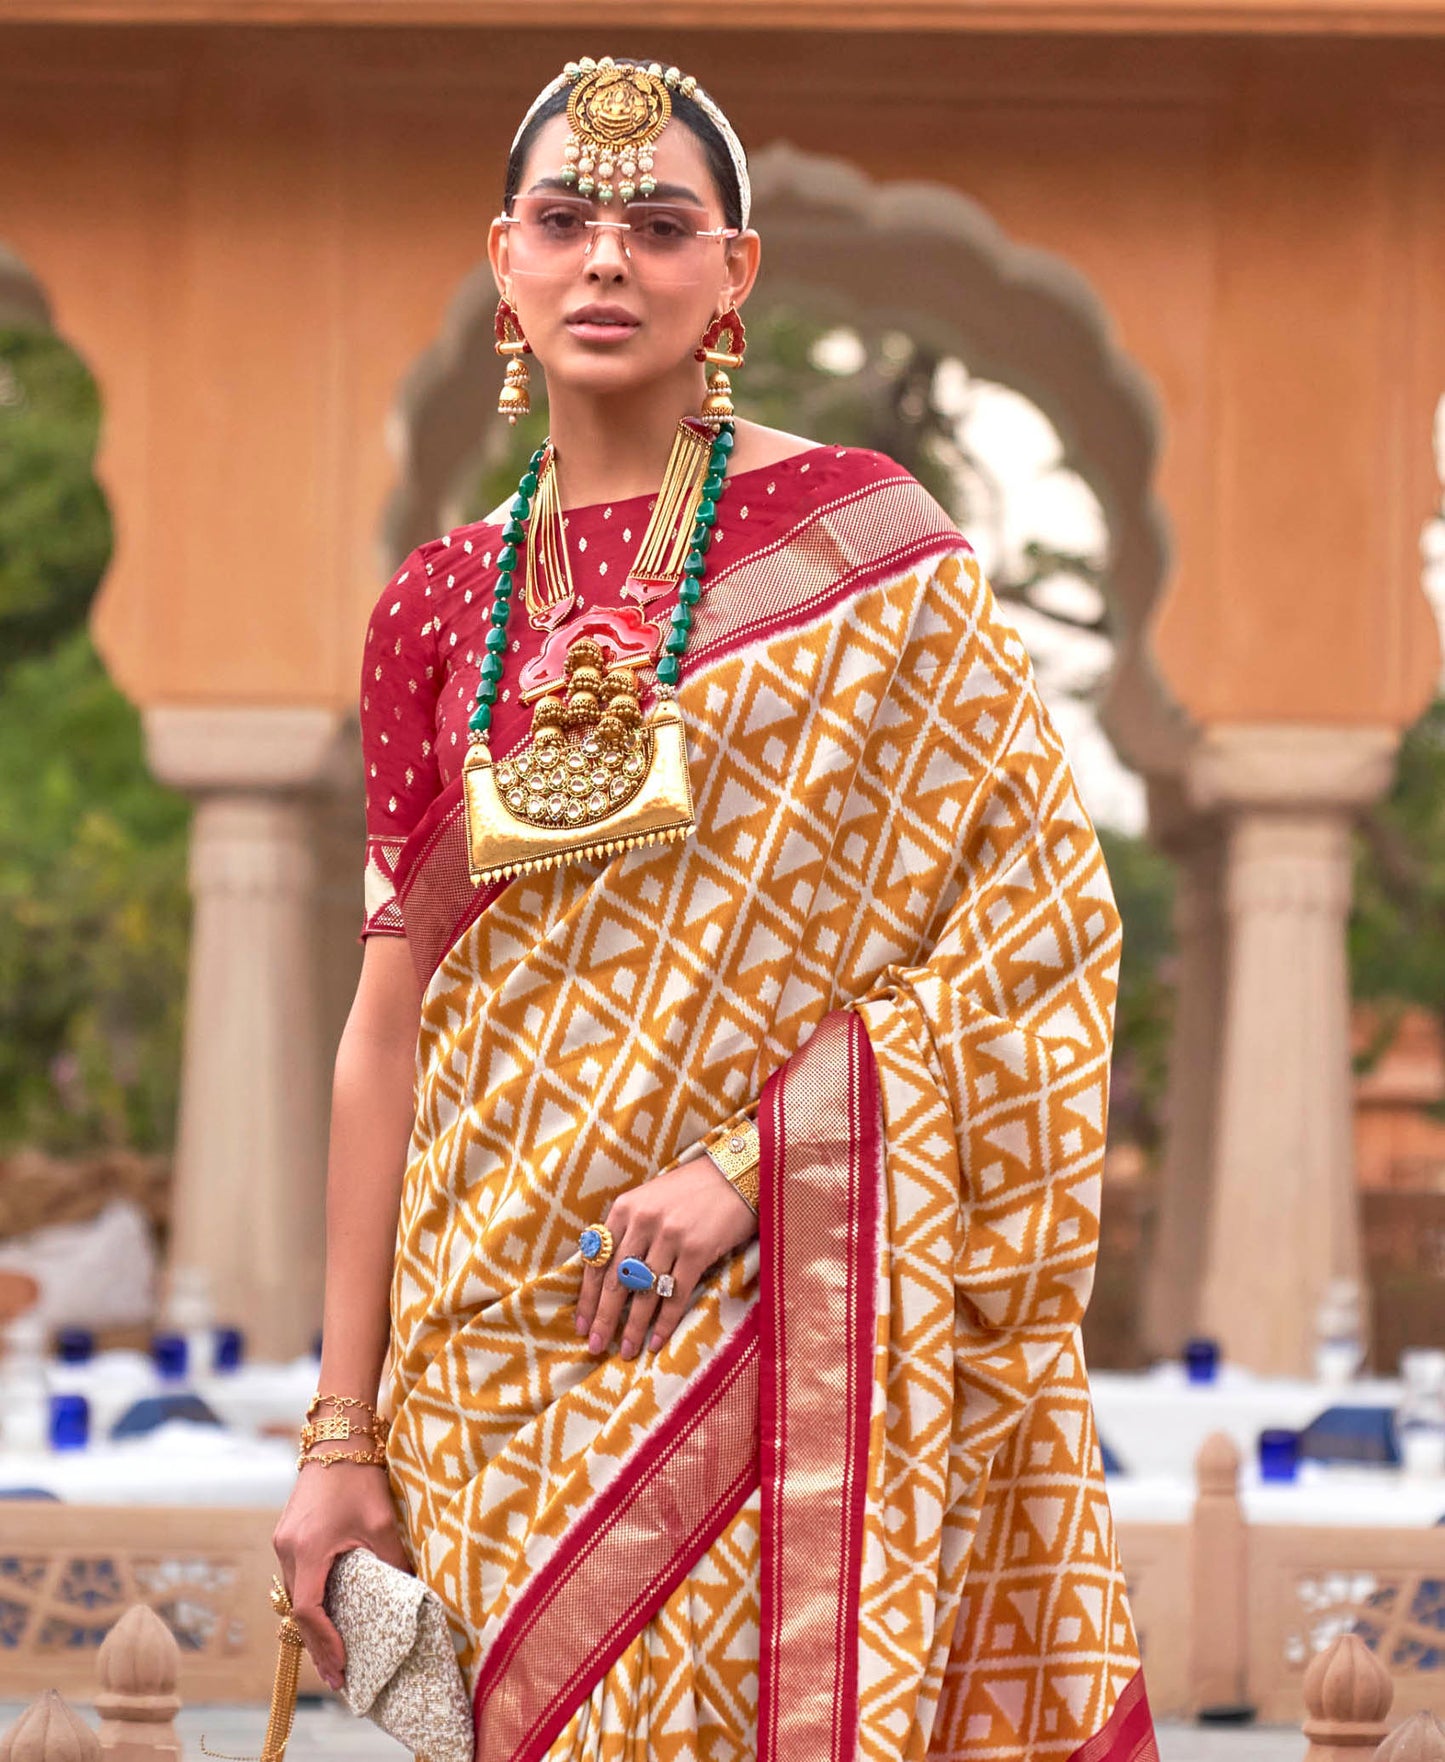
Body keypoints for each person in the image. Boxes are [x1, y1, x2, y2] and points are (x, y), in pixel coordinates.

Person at [272, 53, 1159, 1762]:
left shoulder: (867, 557)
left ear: (731, 272)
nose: (608, 259)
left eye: (659, 225)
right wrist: (337, 1426)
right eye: (566, 221)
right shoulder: (437, 607)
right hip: (487, 1356)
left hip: (761, 1315)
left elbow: (1039, 922)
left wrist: (757, 1167)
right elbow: (387, 1026)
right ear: (504, 260)